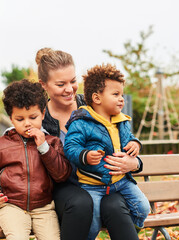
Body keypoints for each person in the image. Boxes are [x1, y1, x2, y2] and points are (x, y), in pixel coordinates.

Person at [0, 48, 143, 240]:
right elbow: (10, 154)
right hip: (61, 189)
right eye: (61, 84)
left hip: (104, 183)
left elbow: (126, 139)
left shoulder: (94, 105)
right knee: (81, 202)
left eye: (73, 81)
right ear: (43, 85)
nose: (69, 89)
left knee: (114, 206)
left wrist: (134, 163)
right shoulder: (37, 119)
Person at [0, 79, 72, 240]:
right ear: (11, 118)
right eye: (20, 119)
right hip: (11, 206)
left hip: (44, 207)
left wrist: (43, 147)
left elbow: (62, 174)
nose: (27, 123)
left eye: (33, 117)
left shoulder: (52, 142)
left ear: (43, 113)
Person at [64, 63, 150, 240]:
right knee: (93, 222)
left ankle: (133, 229)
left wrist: (135, 144)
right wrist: (85, 156)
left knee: (143, 207)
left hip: (121, 182)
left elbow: (129, 138)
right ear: (97, 98)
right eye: (116, 94)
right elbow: (71, 147)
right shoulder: (81, 122)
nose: (121, 99)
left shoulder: (121, 121)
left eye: (122, 94)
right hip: (92, 185)